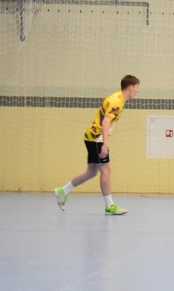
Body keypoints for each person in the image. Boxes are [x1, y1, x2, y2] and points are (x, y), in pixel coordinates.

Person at [53, 75, 141, 215]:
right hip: (96, 139)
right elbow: (106, 122)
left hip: (92, 137)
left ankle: (62, 191)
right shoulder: (117, 101)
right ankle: (109, 206)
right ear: (130, 88)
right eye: (137, 88)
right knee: (106, 169)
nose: (137, 90)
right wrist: (105, 144)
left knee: (92, 171)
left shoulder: (117, 98)